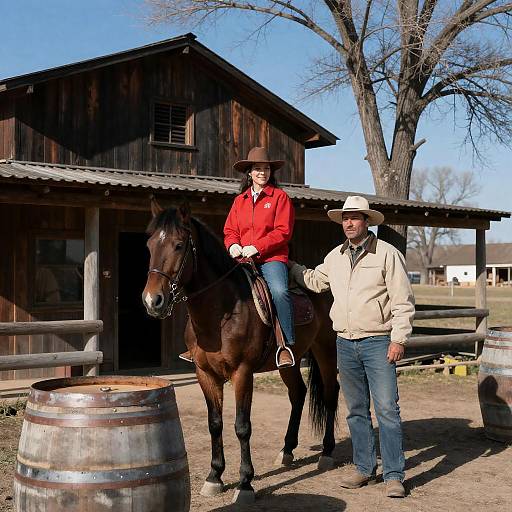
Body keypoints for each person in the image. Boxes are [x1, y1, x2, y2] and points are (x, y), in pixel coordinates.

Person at [289, 195, 414, 498]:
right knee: (356, 411)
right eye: (345, 218)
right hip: (345, 342)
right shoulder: (335, 257)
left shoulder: (387, 255)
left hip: (378, 341)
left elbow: (403, 301)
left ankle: (394, 474)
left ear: (366, 221)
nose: (348, 223)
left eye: (355, 218)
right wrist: (287, 264)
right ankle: (364, 468)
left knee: (386, 410)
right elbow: (315, 281)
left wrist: (399, 339)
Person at [179, 146, 296, 369]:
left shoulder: (280, 198)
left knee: (279, 291)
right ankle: (198, 343)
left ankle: (285, 345)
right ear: (249, 173)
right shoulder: (239, 200)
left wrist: (257, 247)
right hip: (241, 259)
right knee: (210, 285)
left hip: (272, 259)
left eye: (266, 169)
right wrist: (232, 244)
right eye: (258, 169)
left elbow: (283, 231)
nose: (263, 173)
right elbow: (230, 230)